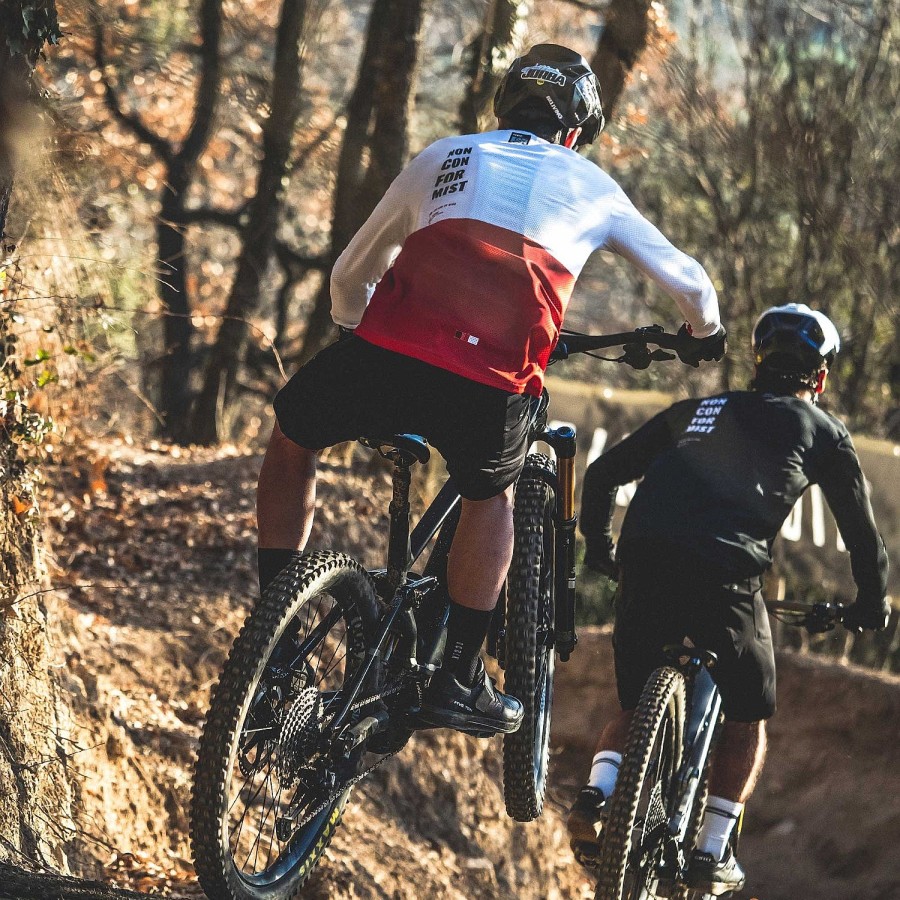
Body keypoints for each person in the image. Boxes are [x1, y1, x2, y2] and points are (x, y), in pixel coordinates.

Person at [256, 44, 726, 738]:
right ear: (575, 130)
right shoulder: (590, 183)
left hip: (385, 350)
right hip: (491, 377)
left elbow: (351, 274)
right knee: (488, 494)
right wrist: (703, 333)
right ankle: (460, 679)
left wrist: (362, 334)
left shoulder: (443, 155)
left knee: (293, 438)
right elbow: (689, 282)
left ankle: (272, 635)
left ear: (505, 105)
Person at [569, 303, 890, 894]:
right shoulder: (821, 430)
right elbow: (863, 541)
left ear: (757, 362)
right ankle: (713, 849)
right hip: (725, 575)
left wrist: (598, 550)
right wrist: (870, 606)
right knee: (748, 714)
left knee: (634, 701)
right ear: (819, 378)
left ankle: (598, 792)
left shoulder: (696, 409)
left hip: (643, 562)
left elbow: (601, 475)